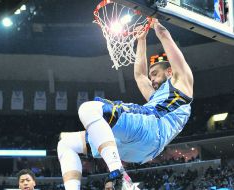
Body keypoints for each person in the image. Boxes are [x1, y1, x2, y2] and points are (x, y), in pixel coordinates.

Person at [57, 18, 194, 190]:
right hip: (139, 150)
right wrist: (141, 39)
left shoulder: (182, 83)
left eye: (155, 73)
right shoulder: (157, 96)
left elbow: (165, 35)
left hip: (151, 128)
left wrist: (156, 23)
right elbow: (139, 75)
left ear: (169, 71)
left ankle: (118, 173)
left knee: (89, 109)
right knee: (66, 144)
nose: (151, 78)